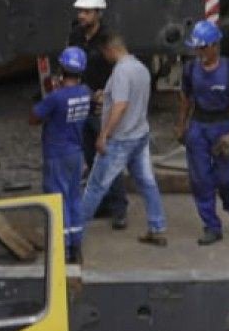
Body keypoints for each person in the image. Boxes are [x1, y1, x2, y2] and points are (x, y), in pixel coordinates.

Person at [67, 33, 167, 257]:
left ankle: (74, 238)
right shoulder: (140, 68)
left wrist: (104, 134)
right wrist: (107, 94)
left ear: (110, 50)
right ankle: (157, 226)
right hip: (140, 134)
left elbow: (121, 106)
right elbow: (129, 98)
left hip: (121, 139)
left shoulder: (121, 71)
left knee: (95, 186)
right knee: (147, 183)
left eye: (105, 54)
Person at [177, 18, 229, 244]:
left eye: (203, 47)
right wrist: (181, 125)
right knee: (200, 180)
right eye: (197, 48)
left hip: (223, 126)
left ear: (214, 46)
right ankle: (211, 225)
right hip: (198, 127)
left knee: (227, 178)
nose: (199, 52)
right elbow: (186, 99)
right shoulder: (190, 69)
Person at [70, 0, 130, 230]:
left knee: (108, 158)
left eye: (86, 11)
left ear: (98, 13)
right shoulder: (75, 36)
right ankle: (103, 204)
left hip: (102, 108)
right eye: (80, 11)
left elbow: (124, 69)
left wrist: (108, 94)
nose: (82, 15)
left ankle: (119, 209)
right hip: (81, 105)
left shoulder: (108, 39)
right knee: (90, 157)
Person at [31, 47, 94, 263]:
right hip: (76, 153)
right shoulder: (85, 92)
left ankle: (64, 246)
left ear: (62, 69)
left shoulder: (56, 98)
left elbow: (34, 117)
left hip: (56, 153)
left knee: (58, 200)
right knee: (74, 197)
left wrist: (52, 94)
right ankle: (76, 243)